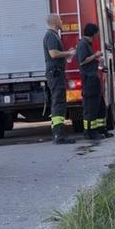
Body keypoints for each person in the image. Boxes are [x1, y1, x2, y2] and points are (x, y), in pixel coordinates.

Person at [42, 14, 77, 144]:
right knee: (58, 102)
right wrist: (69, 53)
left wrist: (66, 56)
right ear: (55, 22)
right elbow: (53, 53)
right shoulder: (51, 36)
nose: (62, 21)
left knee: (59, 102)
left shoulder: (53, 35)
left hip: (56, 73)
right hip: (55, 74)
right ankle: (59, 135)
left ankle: (59, 133)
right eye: (60, 19)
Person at [76, 23, 111, 140]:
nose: (98, 34)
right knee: (91, 107)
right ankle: (89, 132)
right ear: (94, 33)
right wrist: (95, 55)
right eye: (97, 32)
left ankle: (101, 129)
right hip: (89, 80)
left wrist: (97, 61)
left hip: (94, 79)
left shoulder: (88, 44)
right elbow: (82, 61)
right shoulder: (82, 45)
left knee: (100, 106)